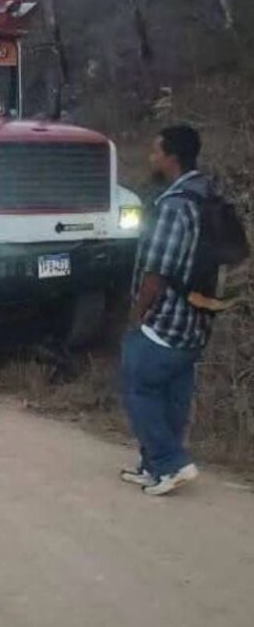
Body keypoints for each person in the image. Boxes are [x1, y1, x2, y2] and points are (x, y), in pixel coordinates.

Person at [119, 125, 213, 496]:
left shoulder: (175, 205)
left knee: (138, 387)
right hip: (198, 316)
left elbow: (158, 270)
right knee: (172, 392)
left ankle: (171, 462)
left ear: (171, 156)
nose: (151, 158)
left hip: (167, 318)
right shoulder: (206, 193)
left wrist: (138, 313)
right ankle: (156, 467)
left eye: (155, 151)